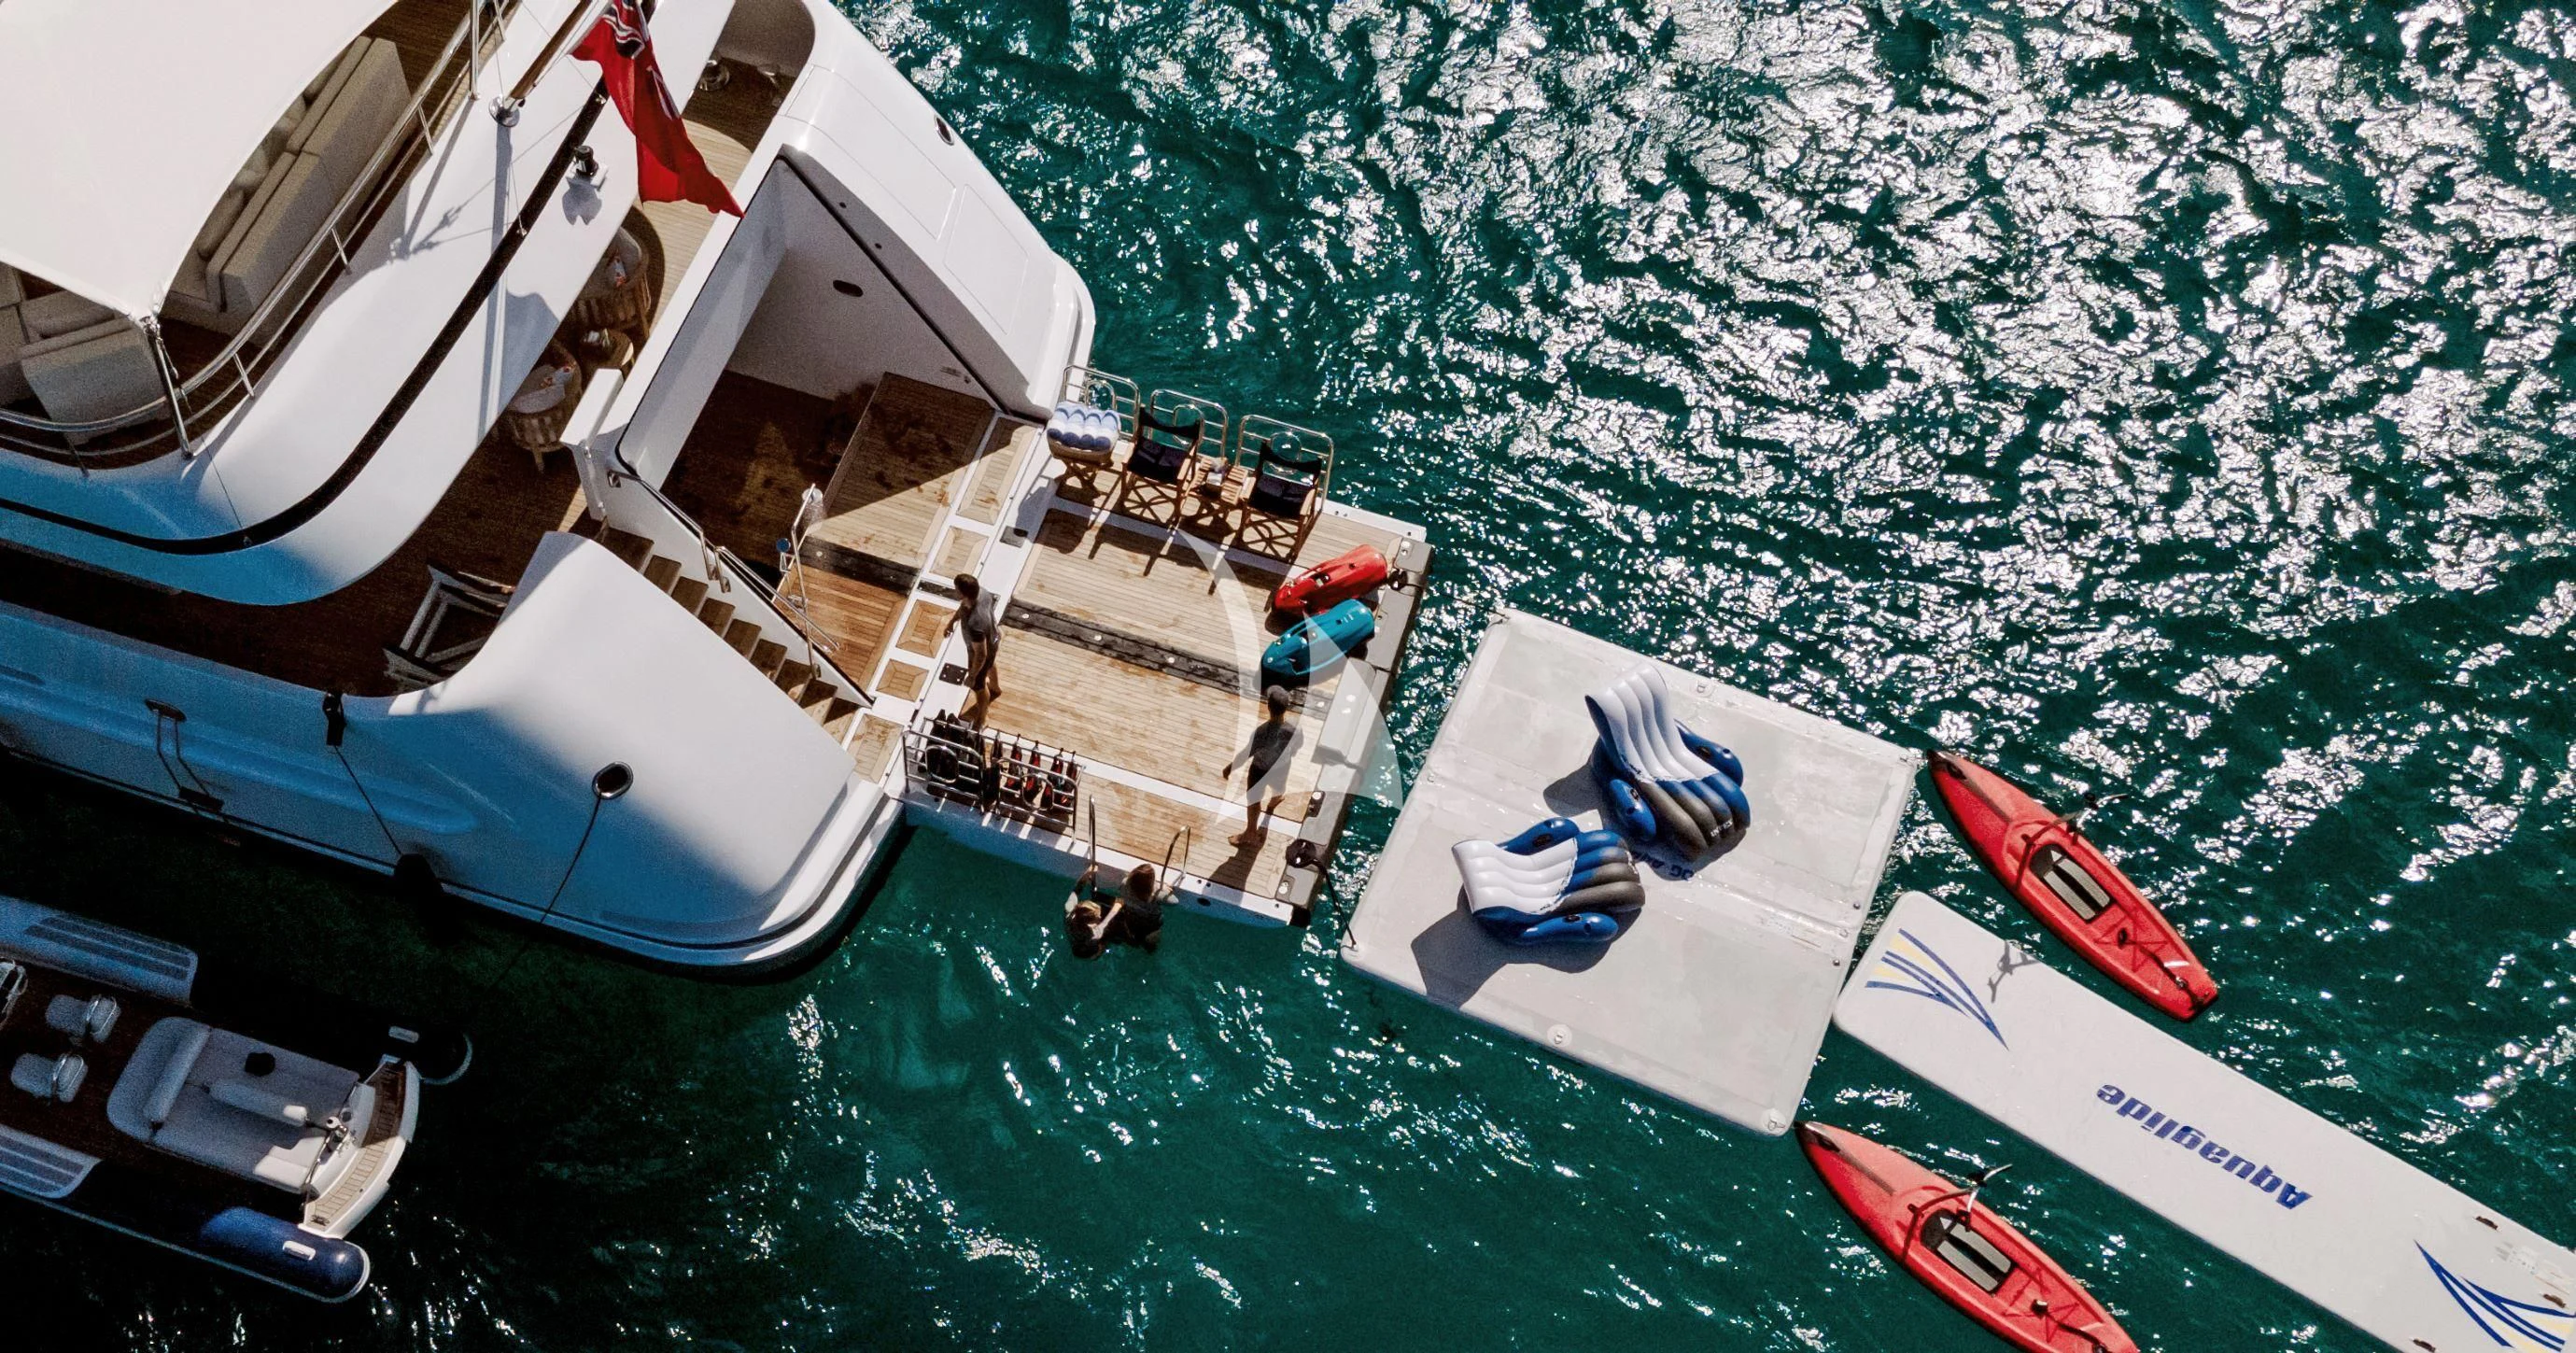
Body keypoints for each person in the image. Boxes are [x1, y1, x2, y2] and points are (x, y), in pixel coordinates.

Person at [1225, 685, 1300, 845]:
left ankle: (1250, 833)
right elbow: (1296, 748)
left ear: (1268, 706)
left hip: (1259, 770)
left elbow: (1245, 754)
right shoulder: (1294, 729)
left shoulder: (1262, 732)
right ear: (1286, 707)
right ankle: (1273, 803)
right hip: (1281, 768)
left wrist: (1229, 768)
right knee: (1279, 790)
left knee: (1254, 800)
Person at [1063, 862, 1164, 957]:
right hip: (1090, 944)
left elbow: (1076, 891)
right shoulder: (1094, 936)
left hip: (1082, 935)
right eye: (1098, 917)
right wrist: (1114, 910)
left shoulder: (1069, 909)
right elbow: (1115, 908)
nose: (1100, 917)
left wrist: (1088, 873)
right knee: (1134, 941)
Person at [947, 572, 1003, 712]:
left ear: (963, 594)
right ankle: (996, 689)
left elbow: (981, 655)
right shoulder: (983, 593)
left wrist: (972, 676)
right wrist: (952, 622)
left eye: (957, 589)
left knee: (978, 686)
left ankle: (981, 717)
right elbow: (963, 607)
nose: (955, 591)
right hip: (993, 638)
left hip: (981, 651)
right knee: (990, 663)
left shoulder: (975, 624)